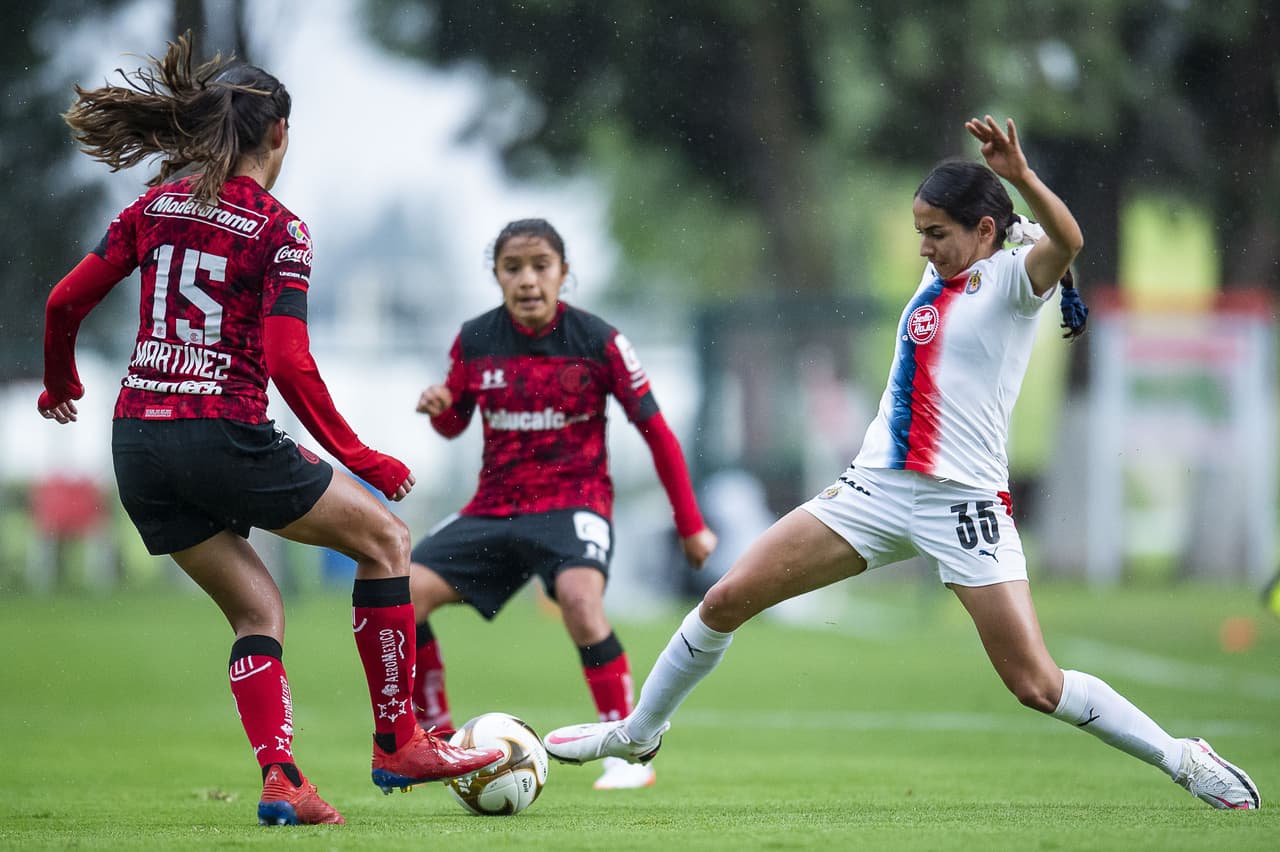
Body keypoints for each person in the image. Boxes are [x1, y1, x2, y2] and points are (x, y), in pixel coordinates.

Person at [542, 116, 1261, 810]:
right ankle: (638, 734)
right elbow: (1010, 248)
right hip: (873, 491)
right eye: (920, 232)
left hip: (964, 505)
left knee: (1036, 685)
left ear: (983, 231)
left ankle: (1182, 758)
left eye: (936, 233)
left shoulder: (1013, 281)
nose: (923, 247)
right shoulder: (943, 273)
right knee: (726, 599)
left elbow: (1067, 238)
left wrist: (1022, 180)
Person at [37, 35, 503, 827]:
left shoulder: (152, 208)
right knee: (388, 541)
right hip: (220, 430)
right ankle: (399, 741)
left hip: (138, 445)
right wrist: (360, 457)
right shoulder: (278, 230)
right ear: (279, 134)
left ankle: (282, 780)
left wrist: (60, 381)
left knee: (258, 611)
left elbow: (62, 303)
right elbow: (289, 362)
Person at [408, 218, 718, 790]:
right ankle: (435, 738)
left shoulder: (599, 341)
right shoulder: (475, 339)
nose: (528, 280)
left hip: (574, 502)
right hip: (494, 507)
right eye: (513, 268)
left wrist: (690, 524)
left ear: (564, 274)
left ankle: (627, 751)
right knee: (405, 595)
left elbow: (657, 433)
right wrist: (441, 407)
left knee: (580, 600)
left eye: (540, 266)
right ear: (497, 276)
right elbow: (455, 424)